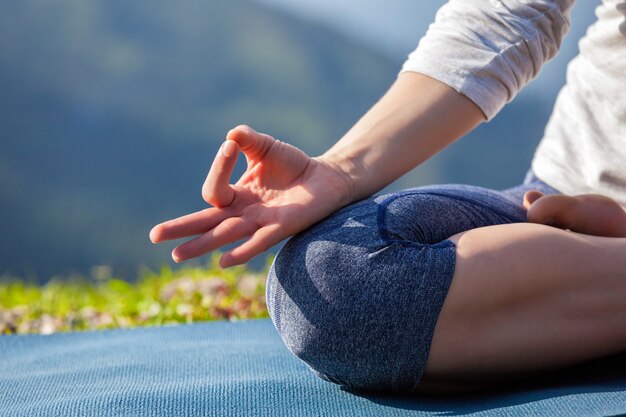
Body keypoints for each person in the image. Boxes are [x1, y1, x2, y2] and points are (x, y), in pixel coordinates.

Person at [150, 0, 626, 393]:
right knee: (336, 273)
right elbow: (507, 13)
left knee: (354, 309)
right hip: (554, 191)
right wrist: (340, 170)